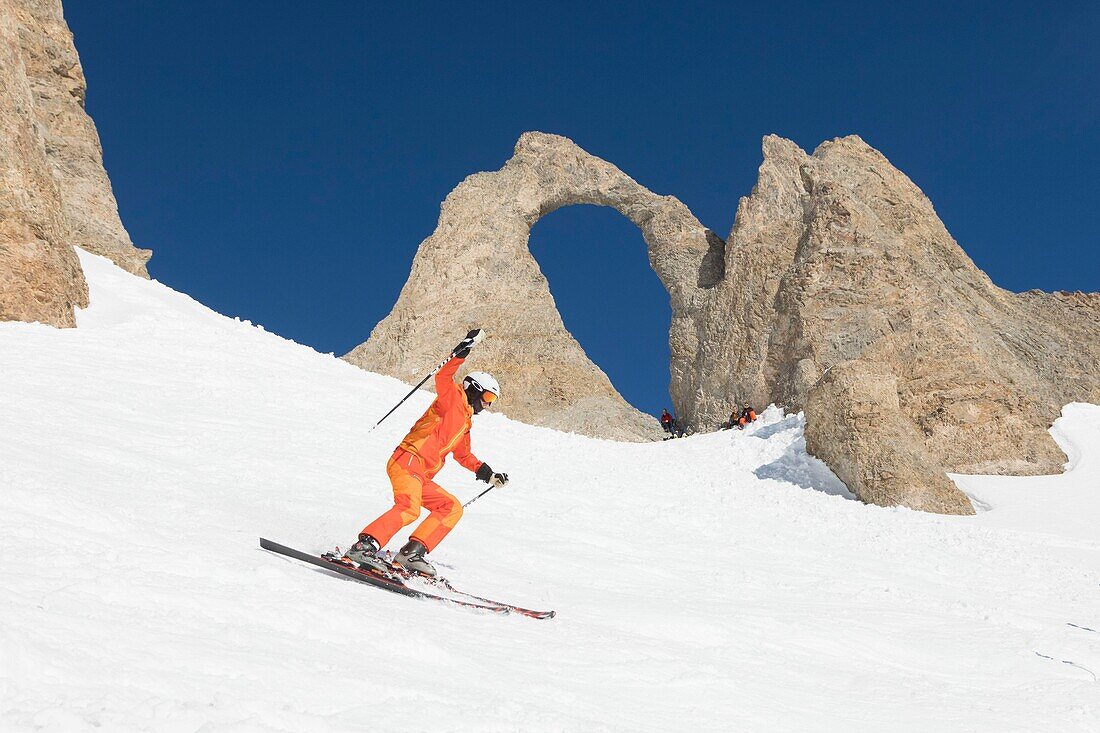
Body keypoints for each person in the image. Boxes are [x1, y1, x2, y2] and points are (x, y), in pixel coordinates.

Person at [344, 329, 509, 577]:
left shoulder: (465, 424)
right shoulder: (452, 398)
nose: (487, 404)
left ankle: (412, 553)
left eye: (492, 400)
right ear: (473, 389)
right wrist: (463, 350)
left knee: (451, 507)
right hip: (407, 460)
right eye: (487, 396)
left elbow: (464, 455)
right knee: (409, 508)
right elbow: (444, 375)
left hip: (421, 475)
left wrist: (488, 474)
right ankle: (364, 547)